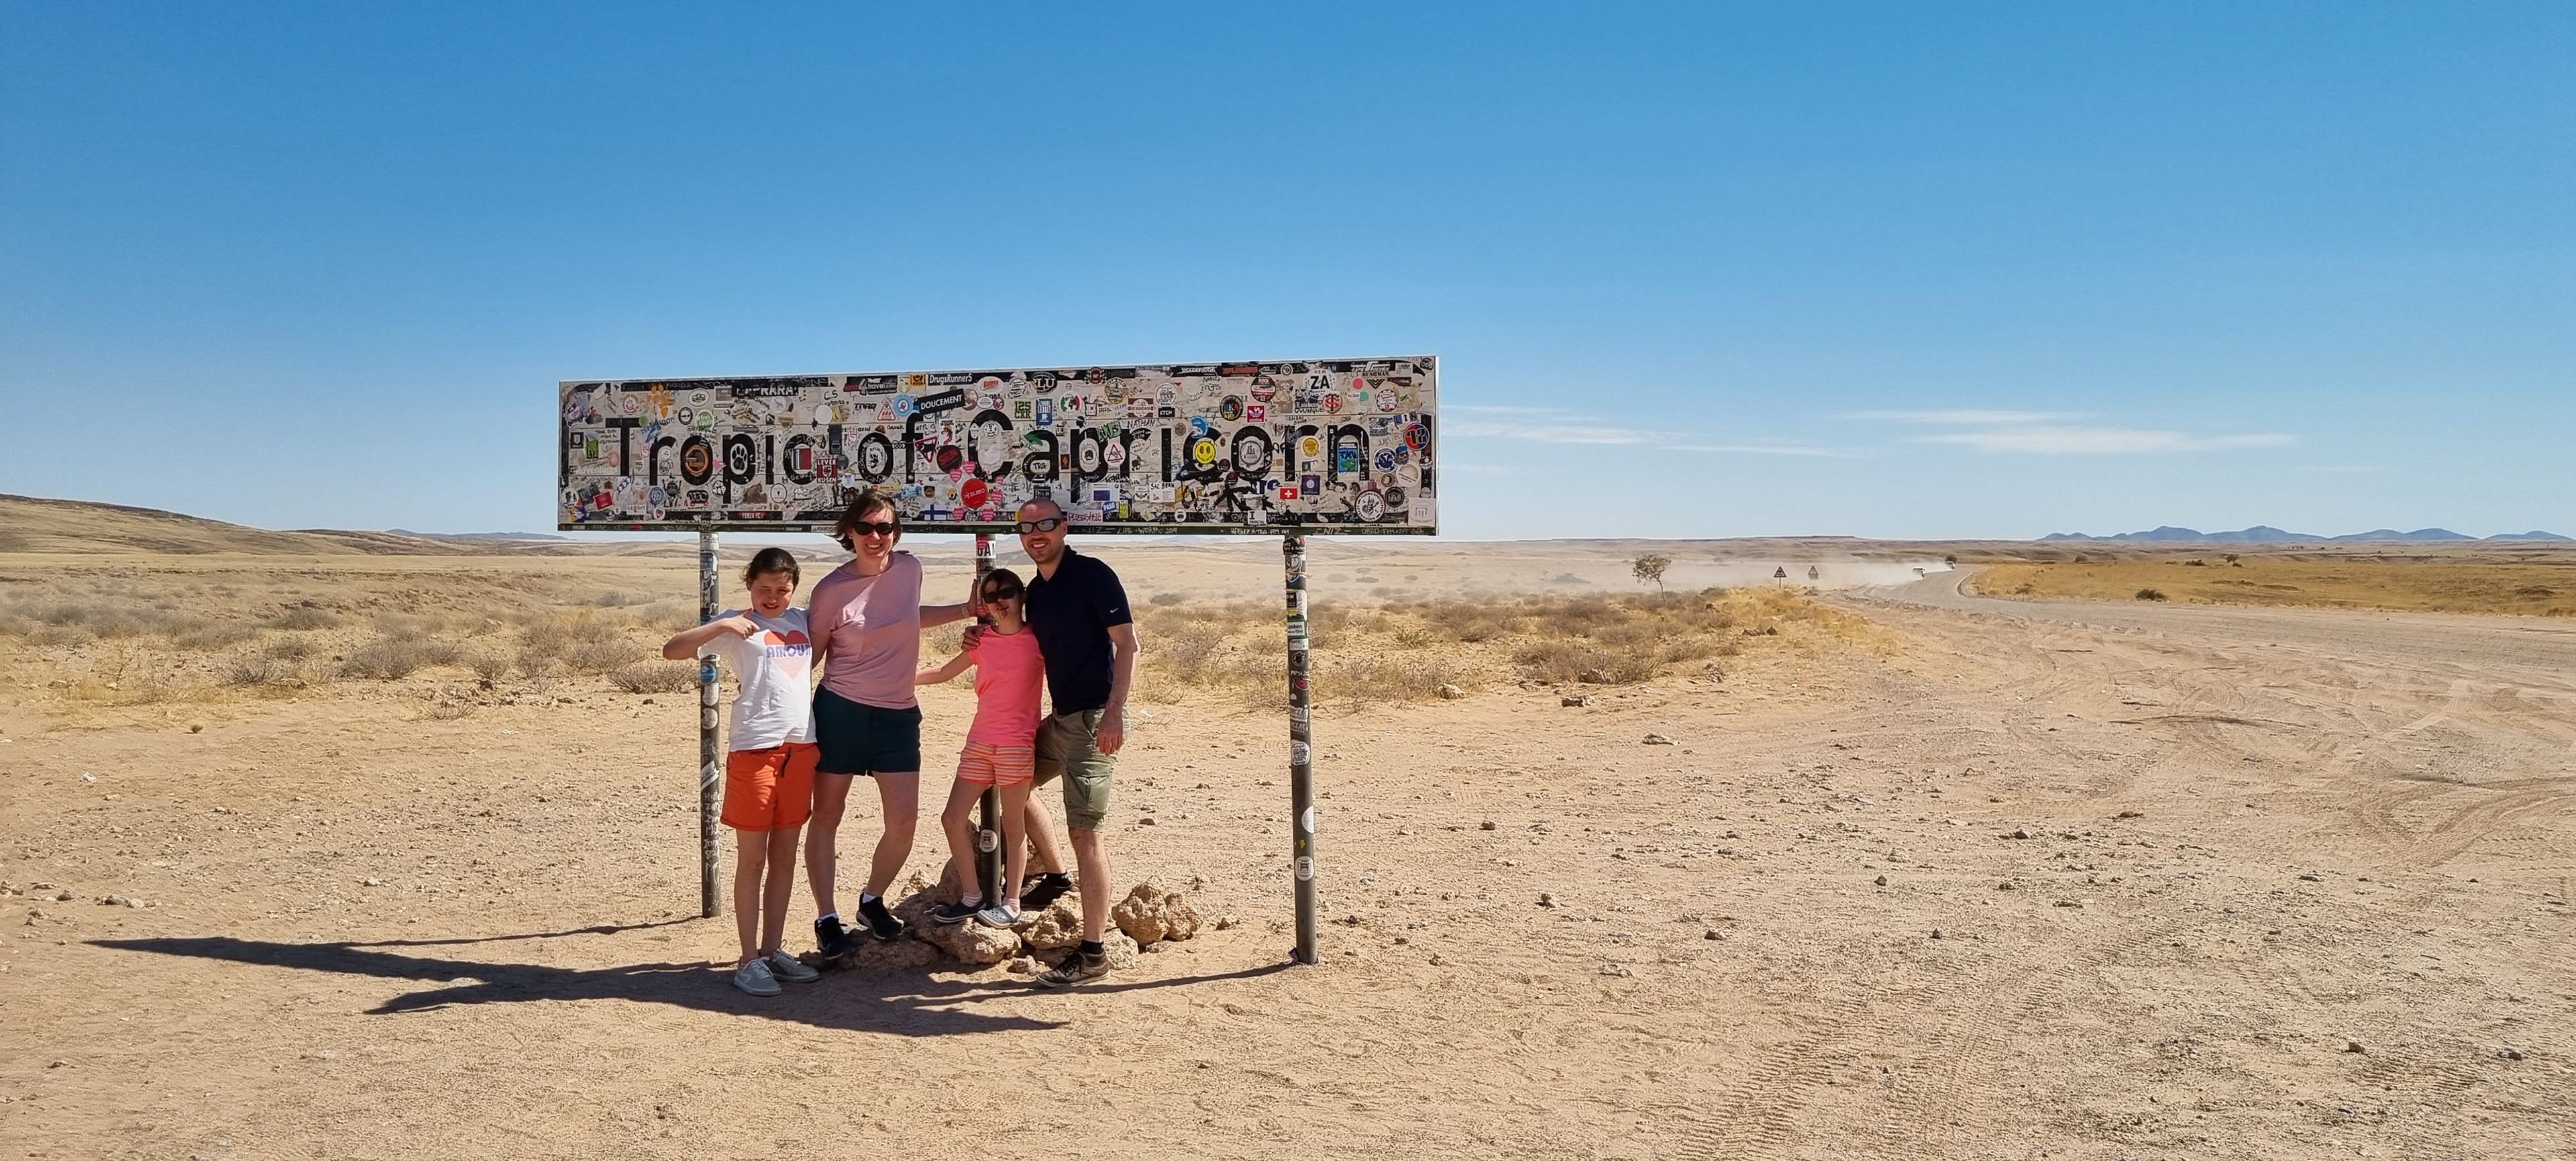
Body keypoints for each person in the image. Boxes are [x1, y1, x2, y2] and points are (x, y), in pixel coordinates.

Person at [805, 491, 975, 959]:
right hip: (841, 711)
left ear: (896, 532)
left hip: (898, 714)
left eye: (885, 527)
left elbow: (905, 617)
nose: (876, 536)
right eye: (866, 528)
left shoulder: (910, 570)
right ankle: (826, 918)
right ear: (850, 532)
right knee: (828, 815)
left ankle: (872, 900)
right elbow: (811, 657)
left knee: (903, 822)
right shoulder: (830, 591)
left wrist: (965, 610)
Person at [658, 546, 825, 997]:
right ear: (750, 584)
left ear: (794, 589)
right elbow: (672, 650)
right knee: (752, 859)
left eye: (782, 589)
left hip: (801, 749)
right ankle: (748, 958)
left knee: (785, 857)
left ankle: (772, 951)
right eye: (764, 588)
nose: (772, 597)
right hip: (755, 750)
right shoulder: (736, 623)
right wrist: (722, 625)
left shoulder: (802, 620)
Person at [1006, 497, 1139, 988]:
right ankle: (1056, 876)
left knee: (1086, 833)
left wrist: (1115, 710)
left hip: (1092, 721)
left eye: (1045, 524)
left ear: (1063, 528)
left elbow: (1127, 644)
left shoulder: (1092, 575)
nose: (1035, 534)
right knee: (1008, 782)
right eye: (1026, 527)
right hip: (1059, 720)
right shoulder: (1036, 592)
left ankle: (1093, 953)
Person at [914, 566, 1042, 929]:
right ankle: (972, 897)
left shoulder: (1038, 640)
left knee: (1012, 824)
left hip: (1017, 743)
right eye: (990, 596)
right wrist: (895, 681)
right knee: (952, 818)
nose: (999, 602)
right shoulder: (982, 640)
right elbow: (943, 673)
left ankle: (1011, 903)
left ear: (1021, 595)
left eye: (1006, 593)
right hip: (980, 742)